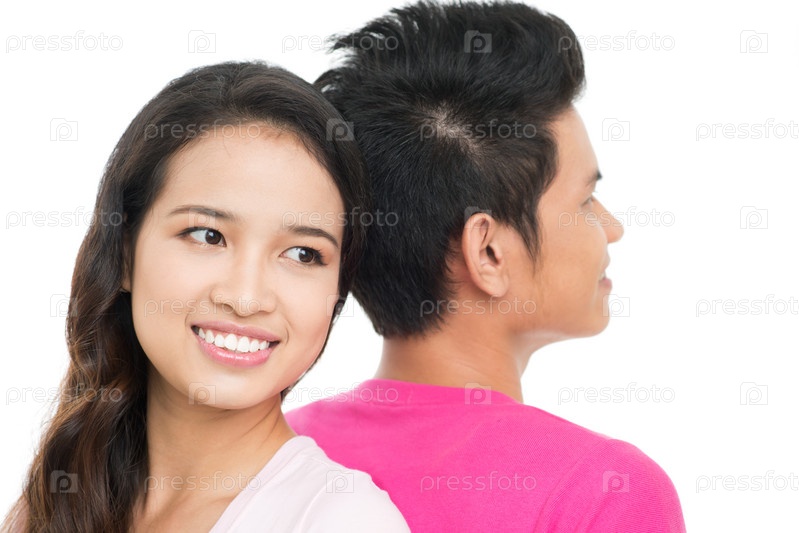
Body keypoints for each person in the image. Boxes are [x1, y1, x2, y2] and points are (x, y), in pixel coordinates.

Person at [286, 2, 686, 531]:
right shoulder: (605, 490)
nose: (612, 227)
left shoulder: (277, 453)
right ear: (489, 252)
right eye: (586, 200)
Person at [3, 61, 408, 532]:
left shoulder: (341, 519)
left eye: (302, 253)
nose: (246, 298)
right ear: (125, 253)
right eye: (208, 235)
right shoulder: (51, 501)